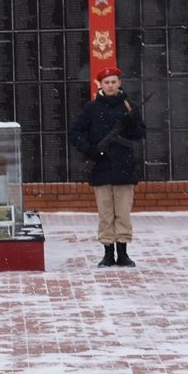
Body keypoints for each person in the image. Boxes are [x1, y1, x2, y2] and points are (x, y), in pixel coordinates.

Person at [67, 66, 147, 268]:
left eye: (114, 81)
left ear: (119, 83)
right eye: (107, 82)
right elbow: (74, 133)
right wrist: (91, 150)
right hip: (100, 167)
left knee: (123, 213)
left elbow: (140, 134)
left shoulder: (129, 107)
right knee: (105, 214)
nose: (111, 85)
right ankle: (108, 254)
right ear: (100, 85)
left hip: (124, 167)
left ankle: (123, 254)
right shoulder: (91, 109)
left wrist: (130, 125)